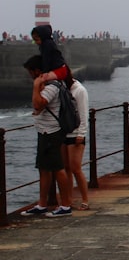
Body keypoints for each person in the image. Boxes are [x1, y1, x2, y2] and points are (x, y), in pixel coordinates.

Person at [20, 55, 74, 217]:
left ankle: (65, 206)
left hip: (52, 132)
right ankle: (42, 204)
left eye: (31, 72)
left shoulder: (52, 86)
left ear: (37, 71)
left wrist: (36, 86)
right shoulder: (48, 85)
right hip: (44, 131)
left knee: (58, 169)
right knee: (43, 168)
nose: (30, 76)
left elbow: (38, 104)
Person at [63, 69, 89, 210]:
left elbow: (84, 112)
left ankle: (85, 199)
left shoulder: (79, 90)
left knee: (75, 168)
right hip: (64, 132)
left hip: (75, 134)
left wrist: (82, 133)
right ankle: (68, 199)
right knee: (66, 168)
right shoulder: (62, 89)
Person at [31, 24, 70, 95]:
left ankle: (43, 96)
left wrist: (45, 72)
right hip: (56, 69)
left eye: (37, 40)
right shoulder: (45, 44)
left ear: (42, 37)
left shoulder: (47, 45)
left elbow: (47, 59)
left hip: (59, 70)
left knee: (40, 80)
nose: (36, 42)